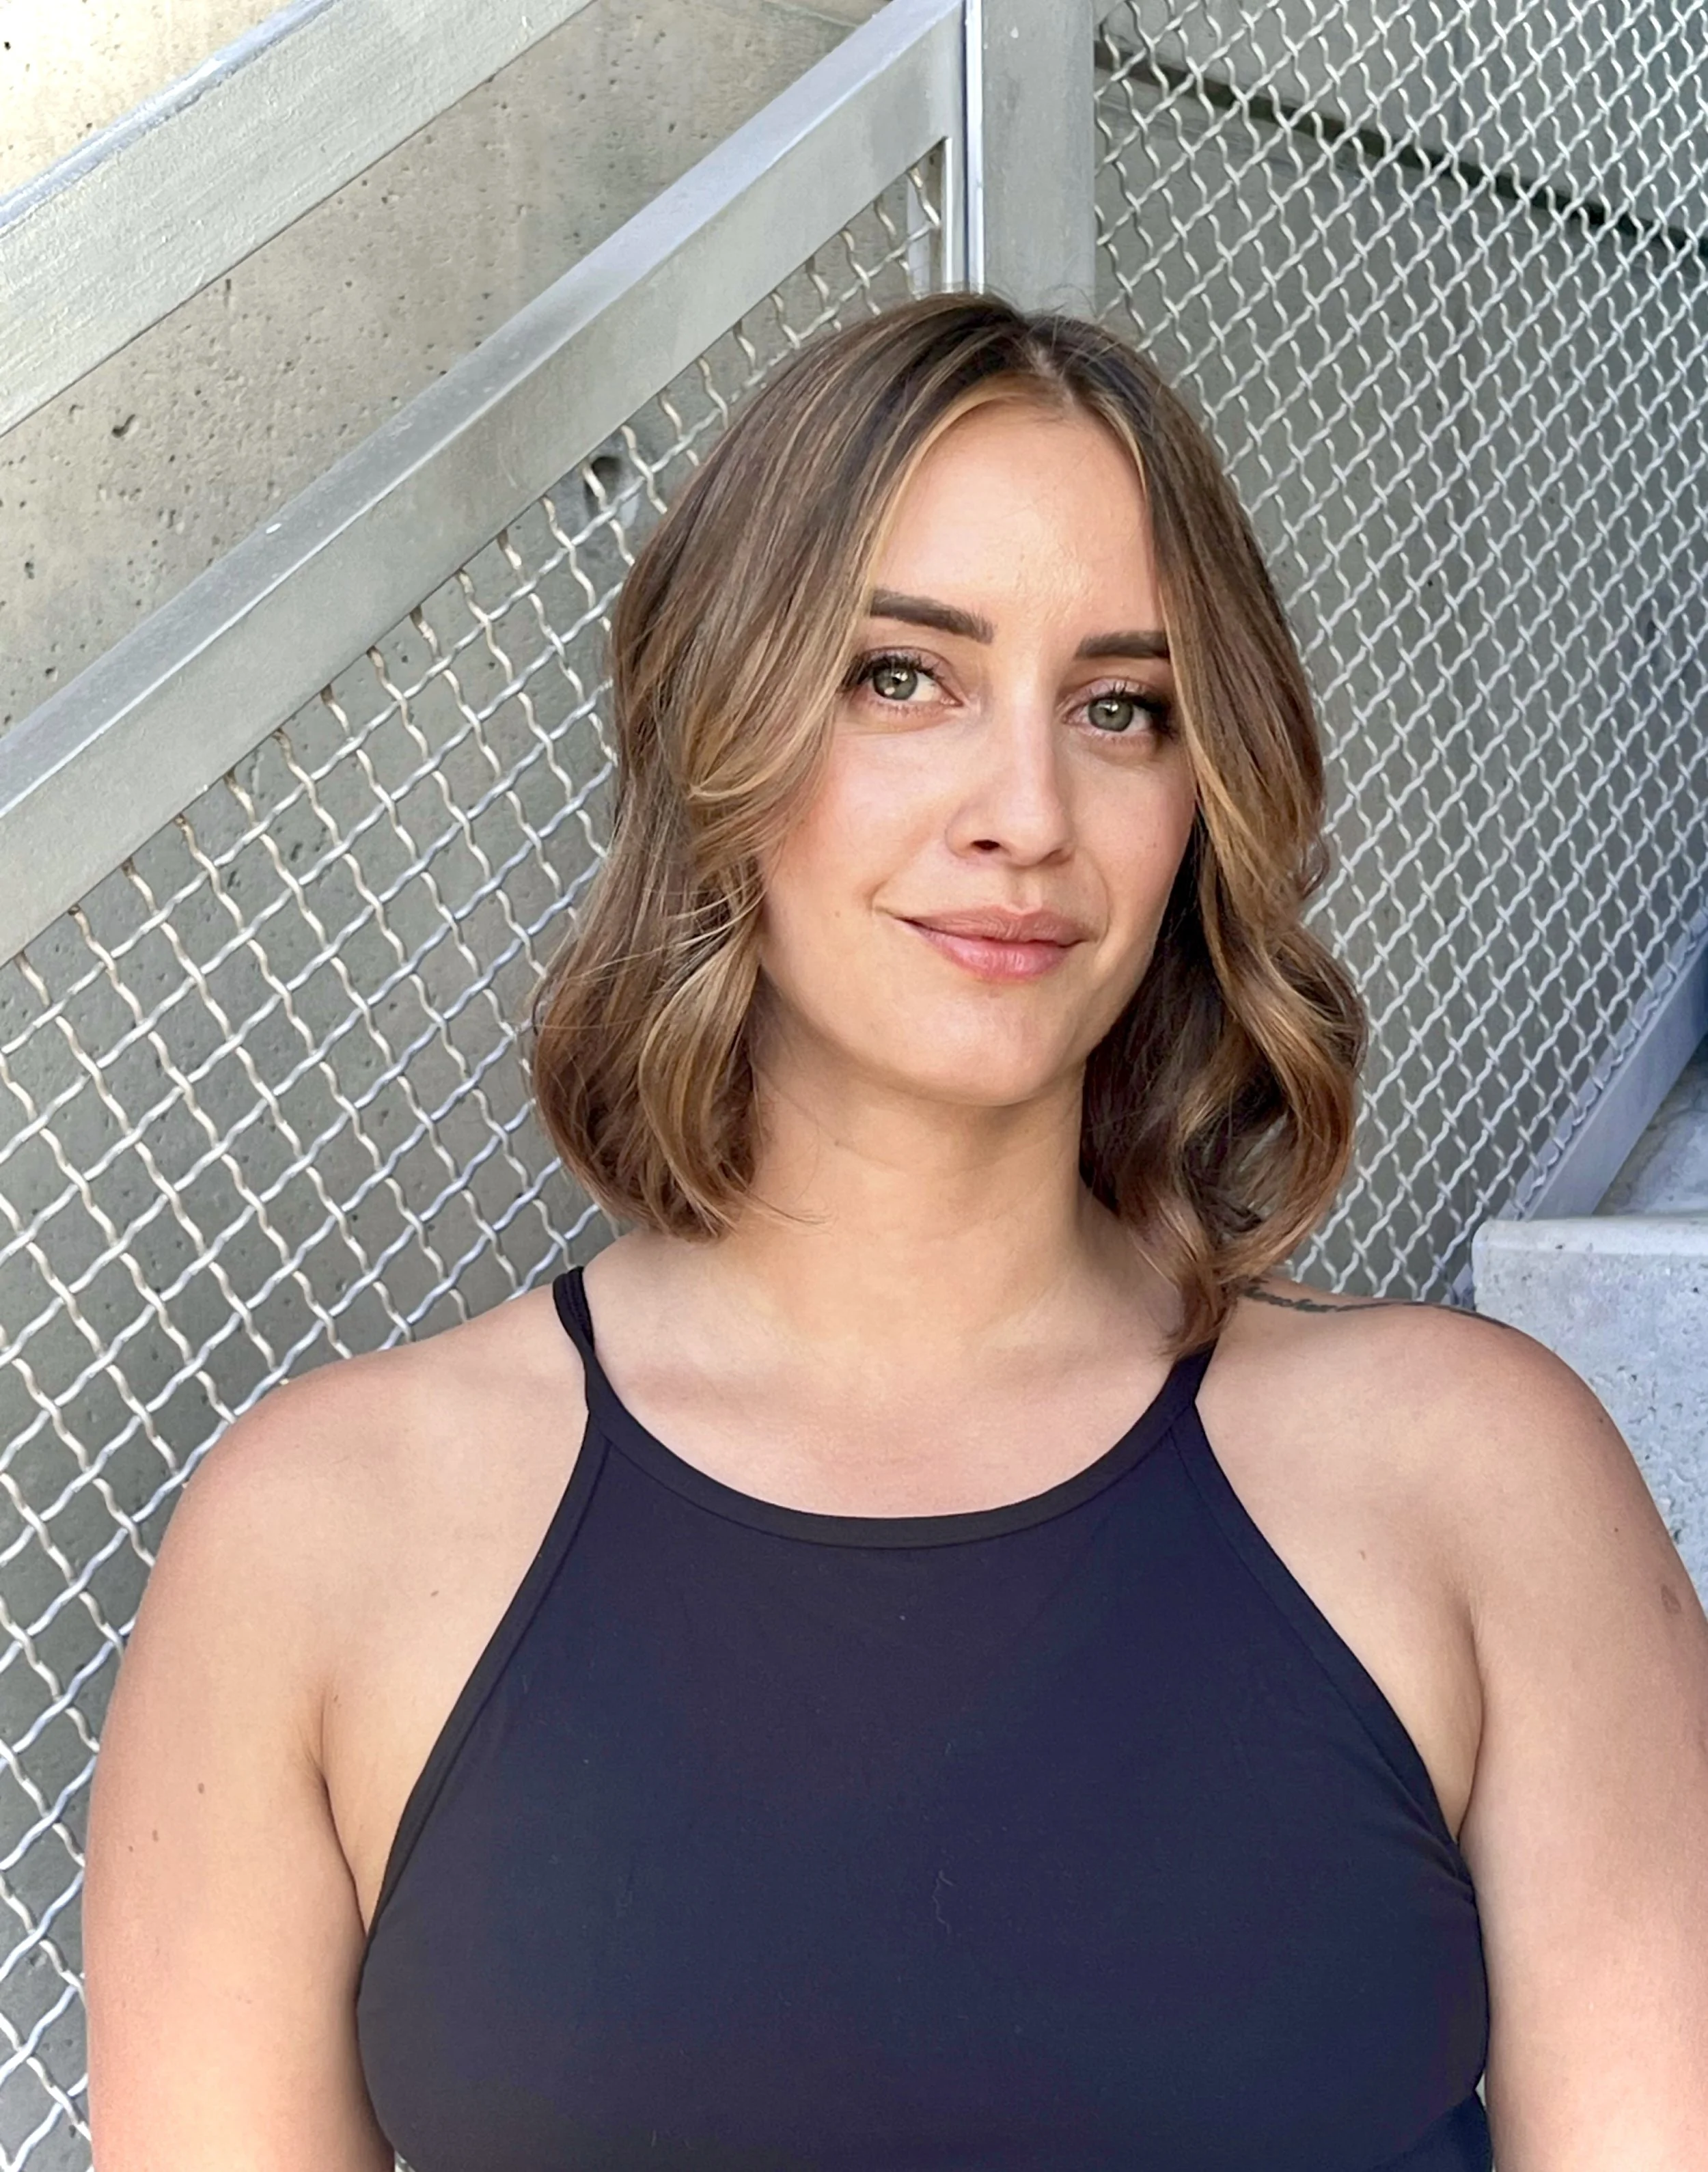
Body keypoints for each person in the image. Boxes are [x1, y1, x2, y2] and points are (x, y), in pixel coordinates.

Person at [84, 295, 1708, 2171]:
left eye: (1120, 708)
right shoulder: (319, 1536)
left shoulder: (1475, 1483)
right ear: (718, 728)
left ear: (1207, 793)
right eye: (900, 679)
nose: (1023, 813)